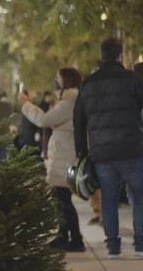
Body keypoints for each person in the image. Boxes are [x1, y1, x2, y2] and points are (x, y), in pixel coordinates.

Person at [74, 38, 143, 259]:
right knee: (139, 197)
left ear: (101, 57)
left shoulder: (88, 83)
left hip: (101, 153)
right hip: (131, 149)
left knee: (109, 199)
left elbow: (79, 120)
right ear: (120, 56)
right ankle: (141, 244)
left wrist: (81, 152)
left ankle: (113, 246)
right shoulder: (134, 79)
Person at [19, 68, 86, 252]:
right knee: (60, 200)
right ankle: (64, 237)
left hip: (65, 157)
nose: (55, 81)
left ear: (66, 80)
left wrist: (26, 105)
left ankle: (74, 240)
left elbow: (43, 120)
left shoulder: (69, 102)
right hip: (64, 156)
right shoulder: (68, 100)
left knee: (62, 200)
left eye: (57, 78)